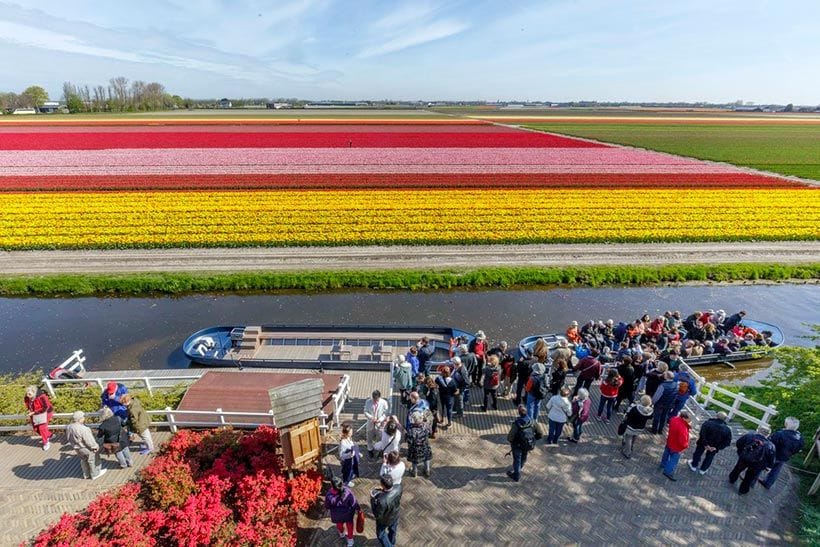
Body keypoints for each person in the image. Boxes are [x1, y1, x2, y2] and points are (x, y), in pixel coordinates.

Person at [729, 424, 776, 495]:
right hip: (757, 464)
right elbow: (771, 457)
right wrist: (769, 467)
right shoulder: (770, 445)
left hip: (745, 458)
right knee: (749, 477)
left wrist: (741, 452)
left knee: (737, 469)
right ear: (769, 434)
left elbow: (739, 443)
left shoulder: (749, 436)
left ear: (758, 430)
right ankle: (742, 491)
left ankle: (732, 479)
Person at [759, 417, 804, 489]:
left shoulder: (780, 434)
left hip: (773, 455)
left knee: (760, 466)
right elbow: (799, 449)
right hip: (784, 457)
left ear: (786, 424)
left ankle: (751, 480)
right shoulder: (800, 438)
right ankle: (767, 484)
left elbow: (770, 444)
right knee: (775, 471)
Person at [65, 410, 106, 480]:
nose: (84, 418)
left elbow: (68, 437)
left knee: (83, 460)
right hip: (85, 447)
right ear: (80, 419)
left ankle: (86, 474)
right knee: (92, 459)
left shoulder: (69, 427)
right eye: (83, 417)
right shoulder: (84, 429)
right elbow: (89, 440)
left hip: (77, 448)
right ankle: (95, 474)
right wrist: (95, 446)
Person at [325, 475, 360, 547]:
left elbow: (327, 506)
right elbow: (353, 502)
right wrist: (358, 509)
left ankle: (341, 533)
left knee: (339, 525)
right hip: (348, 514)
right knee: (350, 527)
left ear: (332, 485)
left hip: (337, 515)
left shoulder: (329, 494)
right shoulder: (347, 491)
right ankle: (350, 541)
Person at [371, 474, 402, 547]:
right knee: (392, 530)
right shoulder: (399, 487)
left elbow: (377, 514)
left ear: (382, 485)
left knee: (380, 534)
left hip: (384, 520)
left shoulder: (381, 500)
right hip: (396, 514)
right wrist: (383, 490)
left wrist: (372, 499)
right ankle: (392, 542)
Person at [506, 405, 535, 482]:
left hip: (517, 445)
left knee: (517, 460)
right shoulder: (532, 421)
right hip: (527, 444)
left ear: (519, 413)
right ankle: (520, 467)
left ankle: (516, 475)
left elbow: (511, 436)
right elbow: (540, 433)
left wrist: (510, 441)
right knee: (524, 456)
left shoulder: (517, 424)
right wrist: (533, 439)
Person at [660, 410, 692, 481]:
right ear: (684, 418)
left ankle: (663, 464)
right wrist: (685, 446)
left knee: (666, 453)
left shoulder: (674, 419)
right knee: (673, 460)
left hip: (670, 441)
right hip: (676, 447)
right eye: (689, 418)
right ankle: (667, 472)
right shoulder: (683, 428)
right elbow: (682, 441)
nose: (690, 420)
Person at [24, 385, 53, 451]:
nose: (28, 395)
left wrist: (34, 412)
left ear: (34, 393)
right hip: (34, 413)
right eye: (27, 393)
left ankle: (46, 442)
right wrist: (29, 410)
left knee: (42, 428)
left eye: (29, 394)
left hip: (45, 412)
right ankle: (49, 435)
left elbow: (45, 407)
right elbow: (28, 404)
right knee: (36, 428)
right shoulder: (27, 397)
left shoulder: (42, 397)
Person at [406, 411, 433, 477]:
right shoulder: (426, 426)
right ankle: (427, 470)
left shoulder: (411, 430)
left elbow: (409, 441)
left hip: (415, 449)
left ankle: (414, 472)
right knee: (426, 458)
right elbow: (430, 433)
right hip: (424, 447)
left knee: (414, 460)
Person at [364, 390, 389, 459]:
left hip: (379, 424)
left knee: (379, 437)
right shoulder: (368, 402)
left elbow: (386, 413)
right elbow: (365, 411)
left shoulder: (384, 403)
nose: (375, 401)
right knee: (369, 437)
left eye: (376, 399)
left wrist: (380, 419)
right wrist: (371, 417)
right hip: (370, 423)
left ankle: (378, 451)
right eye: (374, 399)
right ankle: (370, 450)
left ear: (379, 397)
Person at [339, 422, 360, 487]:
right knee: (347, 473)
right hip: (346, 461)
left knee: (351, 471)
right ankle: (346, 482)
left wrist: (358, 453)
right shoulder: (343, 443)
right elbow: (341, 455)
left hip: (351, 460)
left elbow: (352, 447)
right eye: (350, 432)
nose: (352, 433)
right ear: (346, 433)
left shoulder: (349, 438)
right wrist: (350, 454)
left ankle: (349, 479)